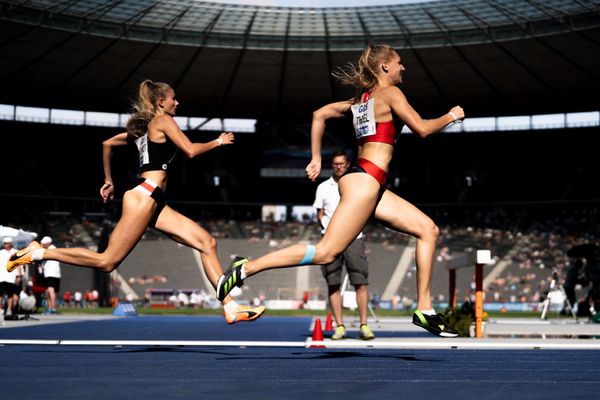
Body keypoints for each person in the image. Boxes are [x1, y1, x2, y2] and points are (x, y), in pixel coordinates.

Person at [217, 44, 464, 337]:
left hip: (369, 182)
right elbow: (422, 129)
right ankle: (245, 268)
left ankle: (425, 309)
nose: (403, 68)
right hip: (365, 182)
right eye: (399, 63)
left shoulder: (360, 100)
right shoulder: (391, 94)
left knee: (428, 229)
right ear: (384, 66)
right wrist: (451, 116)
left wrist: (316, 157)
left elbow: (319, 114)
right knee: (325, 252)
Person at [7, 79, 265, 324]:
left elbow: (107, 144)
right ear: (161, 101)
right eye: (174, 98)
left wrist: (109, 180)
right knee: (106, 262)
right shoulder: (163, 121)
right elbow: (190, 150)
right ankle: (37, 253)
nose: (178, 103)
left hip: (154, 201)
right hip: (144, 196)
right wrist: (218, 141)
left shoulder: (144, 129)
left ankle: (231, 308)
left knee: (207, 242)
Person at [313, 149, 374, 340]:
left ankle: (364, 325)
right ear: (332, 165)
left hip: (354, 238)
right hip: (330, 239)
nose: (338, 167)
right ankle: (340, 326)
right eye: (335, 164)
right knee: (333, 283)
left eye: (342, 163)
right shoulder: (323, 187)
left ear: (348, 164)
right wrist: (328, 227)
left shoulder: (357, 184)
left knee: (361, 282)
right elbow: (320, 212)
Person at [0, 237, 22, 320]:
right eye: (5, 243)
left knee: (10, 294)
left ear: (11, 243)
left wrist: (19, 275)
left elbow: (18, 264)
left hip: (11, 277)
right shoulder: (1, 252)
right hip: (1, 277)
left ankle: (9, 309)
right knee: (0, 294)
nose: (6, 245)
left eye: (7, 243)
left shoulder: (15, 252)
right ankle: (1, 309)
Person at [40, 236, 61, 314]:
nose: (42, 245)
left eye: (44, 243)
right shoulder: (49, 249)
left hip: (51, 274)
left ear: (48, 243)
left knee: (50, 291)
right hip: (50, 274)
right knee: (48, 291)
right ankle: (49, 308)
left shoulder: (51, 249)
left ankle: (53, 309)